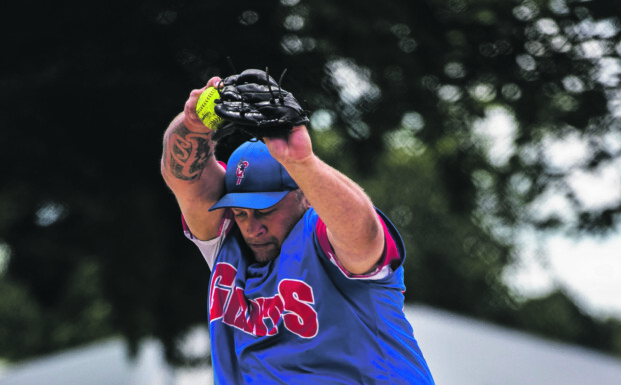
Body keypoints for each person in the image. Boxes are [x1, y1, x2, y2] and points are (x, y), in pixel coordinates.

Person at [161, 75, 434, 384]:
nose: (253, 228)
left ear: (302, 194)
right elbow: (186, 182)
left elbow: (364, 236)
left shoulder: (321, 237)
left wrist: (301, 163)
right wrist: (194, 124)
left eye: (266, 210)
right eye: (240, 212)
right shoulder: (229, 243)